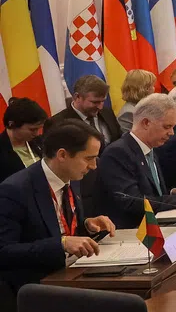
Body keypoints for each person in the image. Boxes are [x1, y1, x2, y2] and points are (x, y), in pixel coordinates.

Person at [0, 121, 115, 290]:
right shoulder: (15, 190)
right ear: (62, 155)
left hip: (75, 273)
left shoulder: (72, 177)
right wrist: (61, 244)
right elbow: (4, 251)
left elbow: (63, 226)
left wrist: (86, 225)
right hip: (39, 286)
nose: (94, 166)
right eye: (88, 158)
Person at [94, 94, 176, 228]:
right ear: (146, 123)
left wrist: (170, 194)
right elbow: (133, 202)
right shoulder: (118, 153)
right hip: (131, 231)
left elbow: (149, 194)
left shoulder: (150, 149)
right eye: (167, 127)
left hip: (155, 225)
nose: (172, 133)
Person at [49, 75, 122, 147]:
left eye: (102, 101)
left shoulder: (107, 112)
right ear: (77, 97)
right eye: (95, 102)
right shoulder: (58, 123)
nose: (100, 107)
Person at [0, 98, 47, 184]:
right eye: (32, 129)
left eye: (39, 129)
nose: (37, 134)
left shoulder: (40, 142)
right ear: (12, 124)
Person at [115, 69, 157, 134]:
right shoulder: (128, 113)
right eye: (152, 85)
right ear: (144, 88)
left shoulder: (144, 107)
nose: (154, 89)